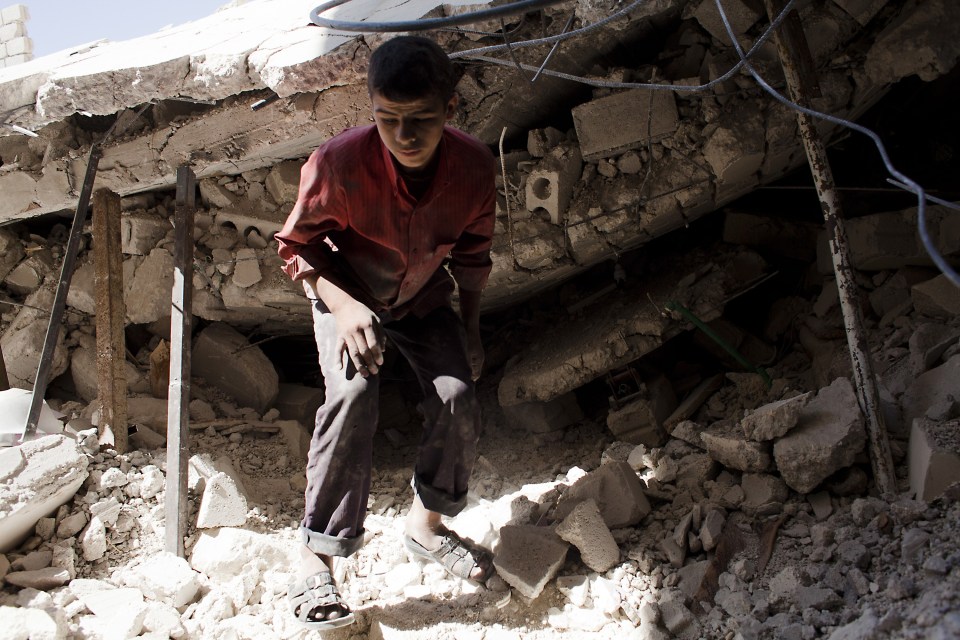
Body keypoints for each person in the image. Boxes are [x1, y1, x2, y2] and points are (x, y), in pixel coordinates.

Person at [274, 35, 497, 630]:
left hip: (422, 297)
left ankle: (426, 528)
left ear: (450, 109)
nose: (403, 135)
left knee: (456, 396)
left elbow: (474, 255)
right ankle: (316, 557)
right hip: (344, 291)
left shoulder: (473, 167)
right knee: (351, 397)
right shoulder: (338, 164)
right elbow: (297, 249)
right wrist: (344, 308)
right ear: (371, 108)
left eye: (420, 119)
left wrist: (470, 330)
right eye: (387, 118)